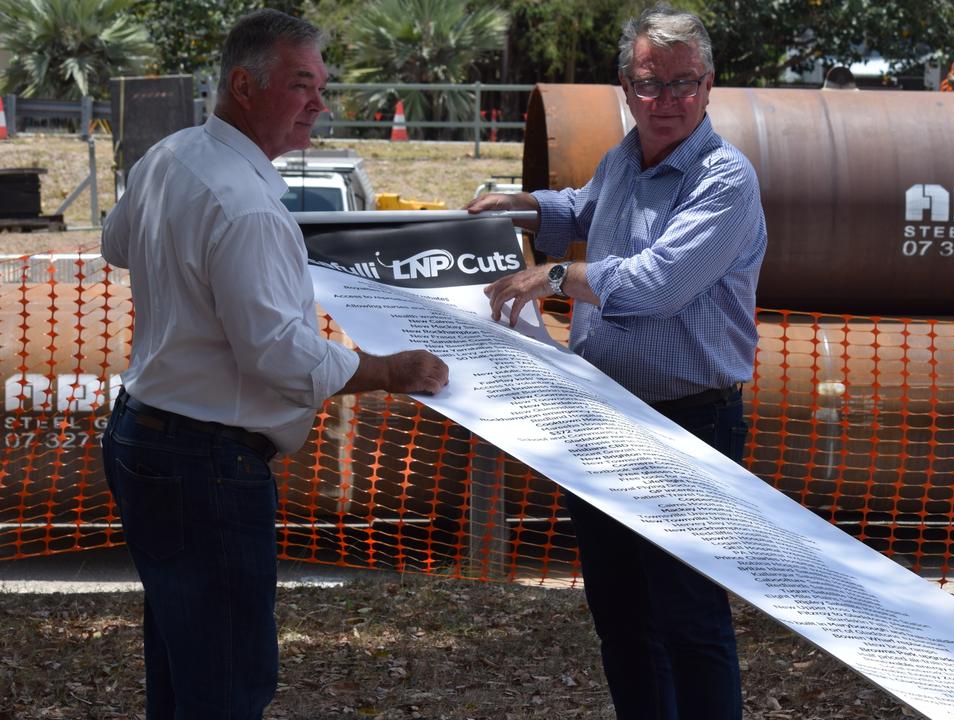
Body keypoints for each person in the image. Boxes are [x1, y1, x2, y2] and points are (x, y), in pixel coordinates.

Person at [99, 9, 448, 718]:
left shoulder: (170, 156)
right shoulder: (245, 204)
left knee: (181, 669)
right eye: (301, 85)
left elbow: (117, 245)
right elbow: (277, 355)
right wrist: (387, 370)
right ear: (243, 85)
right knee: (226, 684)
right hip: (205, 463)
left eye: (321, 85)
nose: (319, 103)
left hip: (149, 440)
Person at [468, 5, 766, 718]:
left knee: (689, 618)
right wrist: (522, 206)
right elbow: (581, 208)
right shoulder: (624, 158)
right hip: (602, 419)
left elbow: (659, 283)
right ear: (625, 91)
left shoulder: (724, 181)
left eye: (683, 84)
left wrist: (554, 278)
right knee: (622, 616)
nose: (667, 101)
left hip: (688, 424)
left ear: (710, 85)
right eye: (648, 84)